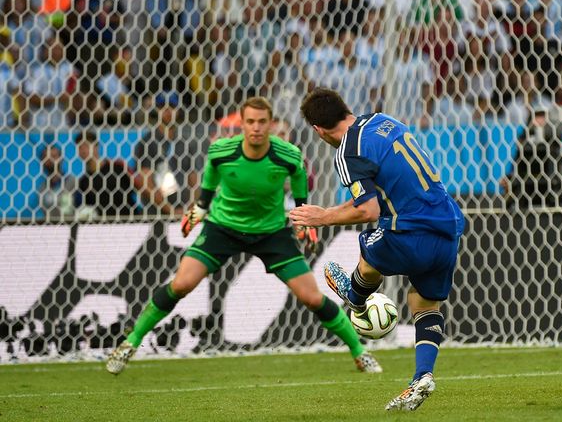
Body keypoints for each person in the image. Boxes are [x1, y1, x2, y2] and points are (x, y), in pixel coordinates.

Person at [106, 97, 381, 375]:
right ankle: (130, 343)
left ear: (271, 124)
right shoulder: (221, 151)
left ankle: (360, 352)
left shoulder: (287, 154)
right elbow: (210, 176)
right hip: (223, 228)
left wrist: (302, 217)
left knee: (311, 297)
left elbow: (298, 178)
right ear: (241, 124)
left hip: (271, 232)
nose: (256, 128)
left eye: (262, 122)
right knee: (180, 285)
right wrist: (200, 208)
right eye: (250, 122)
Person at [292, 88, 465, 411]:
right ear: (346, 109)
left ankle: (355, 298)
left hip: (410, 231)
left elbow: (368, 211)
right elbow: (373, 194)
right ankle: (422, 376)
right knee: (423, 301)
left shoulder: (347, 151)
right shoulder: (382, 121)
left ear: (317, 130)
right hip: (448, 225)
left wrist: (323, 217)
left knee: (368, 252)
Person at [74, 131, 136, 219]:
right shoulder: (84, 181)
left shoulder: (117, 167)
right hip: (104, 228)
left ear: (96, 147)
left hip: (129, 222)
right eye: (79, 147)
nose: (83, 150)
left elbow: (137, 187)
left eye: (86, 146)